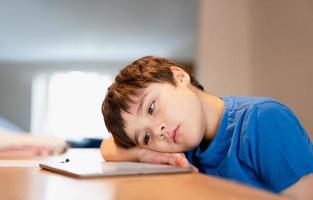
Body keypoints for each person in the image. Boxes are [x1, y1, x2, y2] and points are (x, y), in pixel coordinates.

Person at [100, 56, 313, 199]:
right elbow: (107, 146)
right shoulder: (183, 146)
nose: (158, 131)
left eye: (152, 107)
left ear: (180, 77)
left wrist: (143, 146)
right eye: (146, 136)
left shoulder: (262, 120)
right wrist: (143, 154)